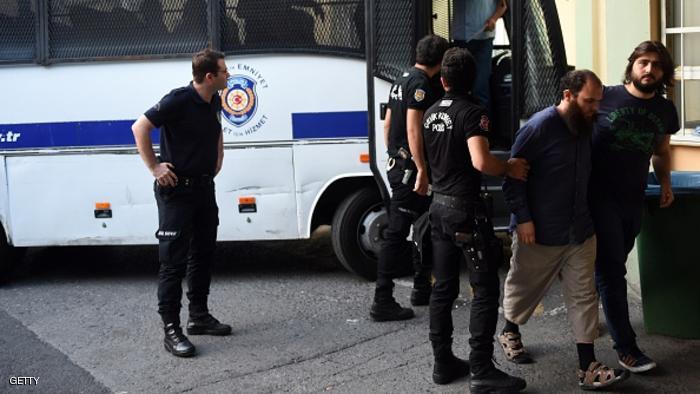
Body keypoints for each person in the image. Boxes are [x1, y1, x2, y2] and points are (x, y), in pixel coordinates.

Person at [500, 69, 630, 390]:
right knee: (524, 288)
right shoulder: (537, 128)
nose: (595, 108)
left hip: (580, 230)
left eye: (598, 102)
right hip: (540, 229)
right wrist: (524, 219)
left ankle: (588, 366)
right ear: (568, 95)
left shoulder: (585, 126)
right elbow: (512, 178)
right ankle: (509, 330)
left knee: (584, 296)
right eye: (589, 101)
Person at [422, 47, 527, 391]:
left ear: (443, 79)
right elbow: (481, 161)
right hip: (466, 209)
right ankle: (481, 369)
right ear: (473, 78)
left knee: (443, 288)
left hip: (438, 208)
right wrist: (509, 168)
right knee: (484, 289)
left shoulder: (431, 111)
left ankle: (443, 363)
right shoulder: (473, 112)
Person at [131, 48, 232, 358]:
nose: (229, 75)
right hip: (177, 192)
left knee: (202, 254)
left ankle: (198, 316)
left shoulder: (213, 99)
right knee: (172, 262)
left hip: (203, 189)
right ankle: (171, 329)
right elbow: (140, 127)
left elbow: (214, 128)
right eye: (225, 71)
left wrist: (218, 154)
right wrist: (155, 167)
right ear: (210, 76)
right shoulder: (177, 100)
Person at [590, 41, 679, 373]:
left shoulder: (665, 110)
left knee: (608, 266)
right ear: (632, 66)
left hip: (633, 197)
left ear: (663, 73)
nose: (649, 69)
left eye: (656, 65)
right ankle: (626, 349)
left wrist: (665, 183)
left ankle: (586, 316)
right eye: (643, 62)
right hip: (597, 198)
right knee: (612, 271)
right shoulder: (604, 96)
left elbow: (660, 150)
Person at [370, 34, 449, 322]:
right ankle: (383, 299)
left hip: (399, 164)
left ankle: (420, 286)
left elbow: (389, 122)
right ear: (440, 62)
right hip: (411, 171)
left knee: (424, 222)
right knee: (398, 230)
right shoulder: (420, 85)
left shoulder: (402, 78)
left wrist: (392, 153)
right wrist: (421, 169)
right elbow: (414, 129)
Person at [452, 0, 507, 109]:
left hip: (483, 38)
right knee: (458, 88)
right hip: (460, 38)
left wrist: (494, 19)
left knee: (480, 89)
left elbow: (503, 5)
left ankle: (482, 124)